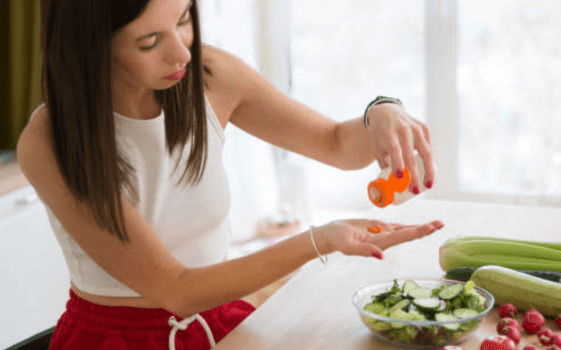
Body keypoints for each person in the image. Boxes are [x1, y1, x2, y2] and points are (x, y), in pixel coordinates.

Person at [16, 0, 444, 349]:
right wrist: (318, 240)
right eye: (150, 41)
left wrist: (382, 113)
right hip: (114, 339)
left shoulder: (208, 75)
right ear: (91, 47)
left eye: (184, 19)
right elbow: (176, 289)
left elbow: (335, 143)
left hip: (219, 321)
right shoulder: (49, 141)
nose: (182, 51)